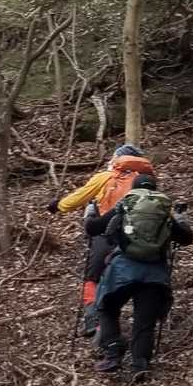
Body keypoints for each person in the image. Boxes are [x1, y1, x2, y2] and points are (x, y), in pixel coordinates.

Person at [87, 172, 193, 384]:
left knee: (106, 306)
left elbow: (93, 228)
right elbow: (187, 238)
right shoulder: (163, 212)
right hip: (154, 275)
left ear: (133, 188)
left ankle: (113, 350)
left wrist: (91, 212)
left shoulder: (125, 205)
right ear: (155, 189)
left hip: (122, 271)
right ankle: (139, 365)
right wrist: (180, 217)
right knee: (145, 321)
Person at [48, 144, 156, 337]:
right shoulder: (147, 182)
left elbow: (79, 197)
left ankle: (93, 318)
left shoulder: (107, 177)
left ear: (118, 159)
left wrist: (58, 206)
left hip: (105, 233)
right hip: (140, 240)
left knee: (93, 277)